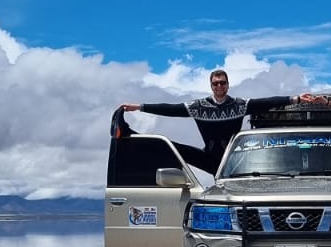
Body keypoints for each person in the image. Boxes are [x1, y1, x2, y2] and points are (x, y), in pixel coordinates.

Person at [120, 71, 293, 176]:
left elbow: (266, 102)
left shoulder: (239, 105)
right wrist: (139, 107)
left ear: (228, 85)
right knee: (170, 147)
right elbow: (170, 109)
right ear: (211, 86)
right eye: (215, 83)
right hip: (208, 158)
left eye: (222, 83)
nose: (219, 86)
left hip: (233, 161)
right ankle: (130, 134)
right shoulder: (198, 107)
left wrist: (295, 98)